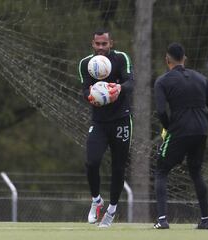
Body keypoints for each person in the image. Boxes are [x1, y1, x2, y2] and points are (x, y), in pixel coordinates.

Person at [153, 43, 208, 229]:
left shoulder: (162, 81)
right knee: (196, 172)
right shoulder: (202, 78)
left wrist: (169, 128)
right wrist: (203, 122)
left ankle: (162, 220)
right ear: (185, 59)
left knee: (161, 170)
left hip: (179, 130)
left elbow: (160, 111)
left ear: (167, 60)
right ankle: (206, 220)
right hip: (201, 131)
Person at [78, 29, 133, 227]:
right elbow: (85, 90)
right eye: (97, 44)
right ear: (92, 44)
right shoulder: (86, 63)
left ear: (111, 43)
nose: (101, 48)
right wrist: (91, 96)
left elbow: (130, 82)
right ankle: (97, 201)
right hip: (99, 122)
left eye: (104, 44)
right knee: (92, 162)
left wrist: (118, 89)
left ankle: (111, 210)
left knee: (118, 167)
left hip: (121, 120)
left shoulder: (121, 58)